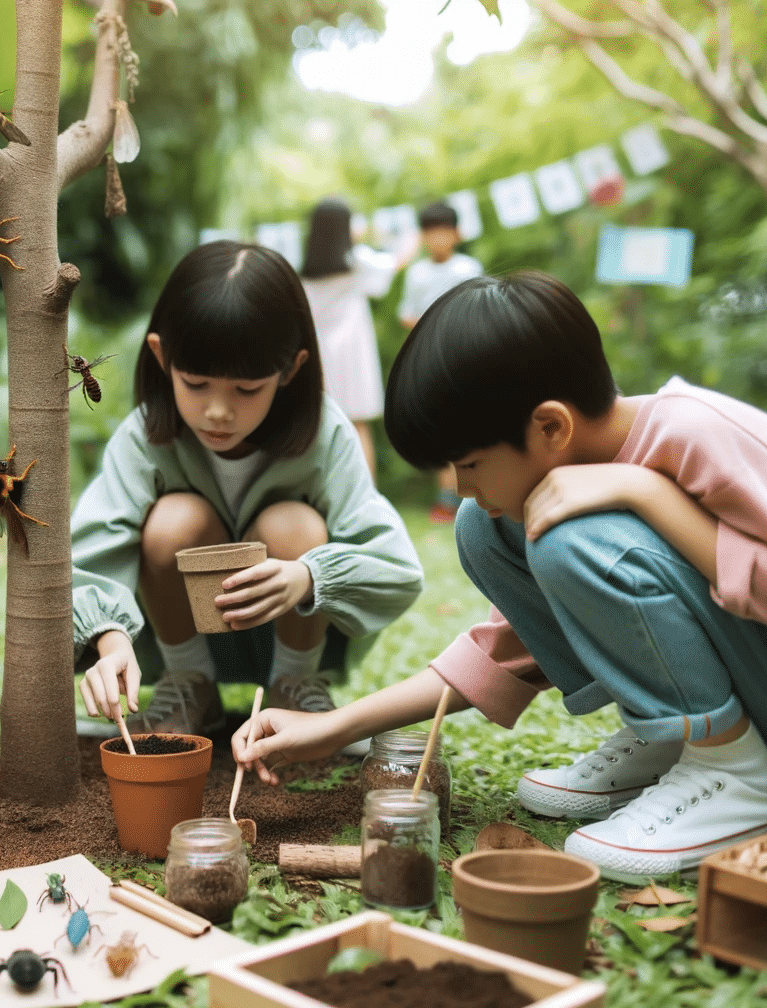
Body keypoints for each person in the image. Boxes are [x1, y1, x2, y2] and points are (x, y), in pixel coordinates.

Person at [234, 271, 767, 881]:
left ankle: (735, 775)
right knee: (487, 528)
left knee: (567, 536)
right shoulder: (533, 492)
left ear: (550, 426)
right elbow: (511, 648)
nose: (460, 485)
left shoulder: (701, 437)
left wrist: (646, 492)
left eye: (468, 462)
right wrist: (335, 727)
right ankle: (673, 737)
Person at [72, 241, 424, 745]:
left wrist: (308, 575)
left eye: (246, 390)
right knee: (174, 519)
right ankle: (191, 688)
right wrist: (108, 638)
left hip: (292, 634)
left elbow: (397, 568)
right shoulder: (143, 438)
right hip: (186, 638)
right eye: (195, 383)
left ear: (290, 370)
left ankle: (293, 688)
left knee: (295, 526)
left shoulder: (327, 436)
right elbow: (88, 553)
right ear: (161, 356)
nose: (218, 411)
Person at [298, 198, 404, 479]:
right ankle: (366, 495)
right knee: (358, 427)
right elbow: (396, 262)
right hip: (353, 356)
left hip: (319, 357)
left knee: (321, 427)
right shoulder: (358, 262)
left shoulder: (304, 272)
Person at [396, 201, 485, 524]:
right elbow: (407, 315)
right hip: (430, 360)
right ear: (422, 236)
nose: (437, 238)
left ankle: (479, 495)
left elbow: (481, 311)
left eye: (443, 231)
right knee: (442, 431)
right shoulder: (417, 272)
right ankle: (447, 500)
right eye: (430, 232)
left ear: (457, 233)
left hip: (465, 357)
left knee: (471, 429)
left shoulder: (468, 269)